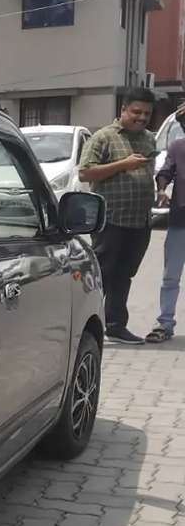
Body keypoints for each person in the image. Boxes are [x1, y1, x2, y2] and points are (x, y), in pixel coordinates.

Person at [78, 88, 157, 344]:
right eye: (136, 112)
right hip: (111, 220)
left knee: (124, 275)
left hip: (140, 221)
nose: (142, 117)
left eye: (146, 113)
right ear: (123, 110)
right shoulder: (104, 137)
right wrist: (123, 164)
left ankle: (115, 325)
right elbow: (85, 173)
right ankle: (83, 325)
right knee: (102, 273)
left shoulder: (149, 139)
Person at [146, 103, 185, 342]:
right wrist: (161, 190)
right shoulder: (177, 147)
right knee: (170, 276)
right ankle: (165, 323)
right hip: (180, 221)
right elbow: (165, 172)